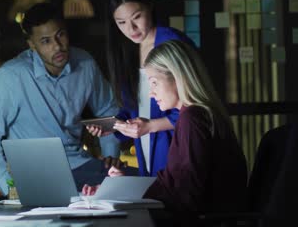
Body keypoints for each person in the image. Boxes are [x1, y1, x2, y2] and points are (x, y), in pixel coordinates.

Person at [0, 2, 134, 196]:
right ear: (31, 44)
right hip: (36, 173)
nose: (57, 46)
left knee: (140, 183)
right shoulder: (11, 77)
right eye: (46, 41)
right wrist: (8, 186)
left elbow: (108, 109)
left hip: (80, 165)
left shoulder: (84, 64)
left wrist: (110, 156)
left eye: (61, 35)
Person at [85, 40, 248, 216]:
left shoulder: (192, 119)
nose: (151, 93)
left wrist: (127, 191)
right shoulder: (204, 113)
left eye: (154, 83)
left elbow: (185, 195)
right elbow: (177, 185)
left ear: (178, 78)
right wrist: (123, 186)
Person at [87, 0, 195, 177]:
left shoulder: (172, 43)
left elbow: (196, 105)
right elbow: (133, 109)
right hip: (146, 144)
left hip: (175, 141)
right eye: (121, 22)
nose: (131, 29)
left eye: (136, 17)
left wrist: (151, 126)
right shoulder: (127, 50)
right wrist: (114, 125)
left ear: (150, 6)